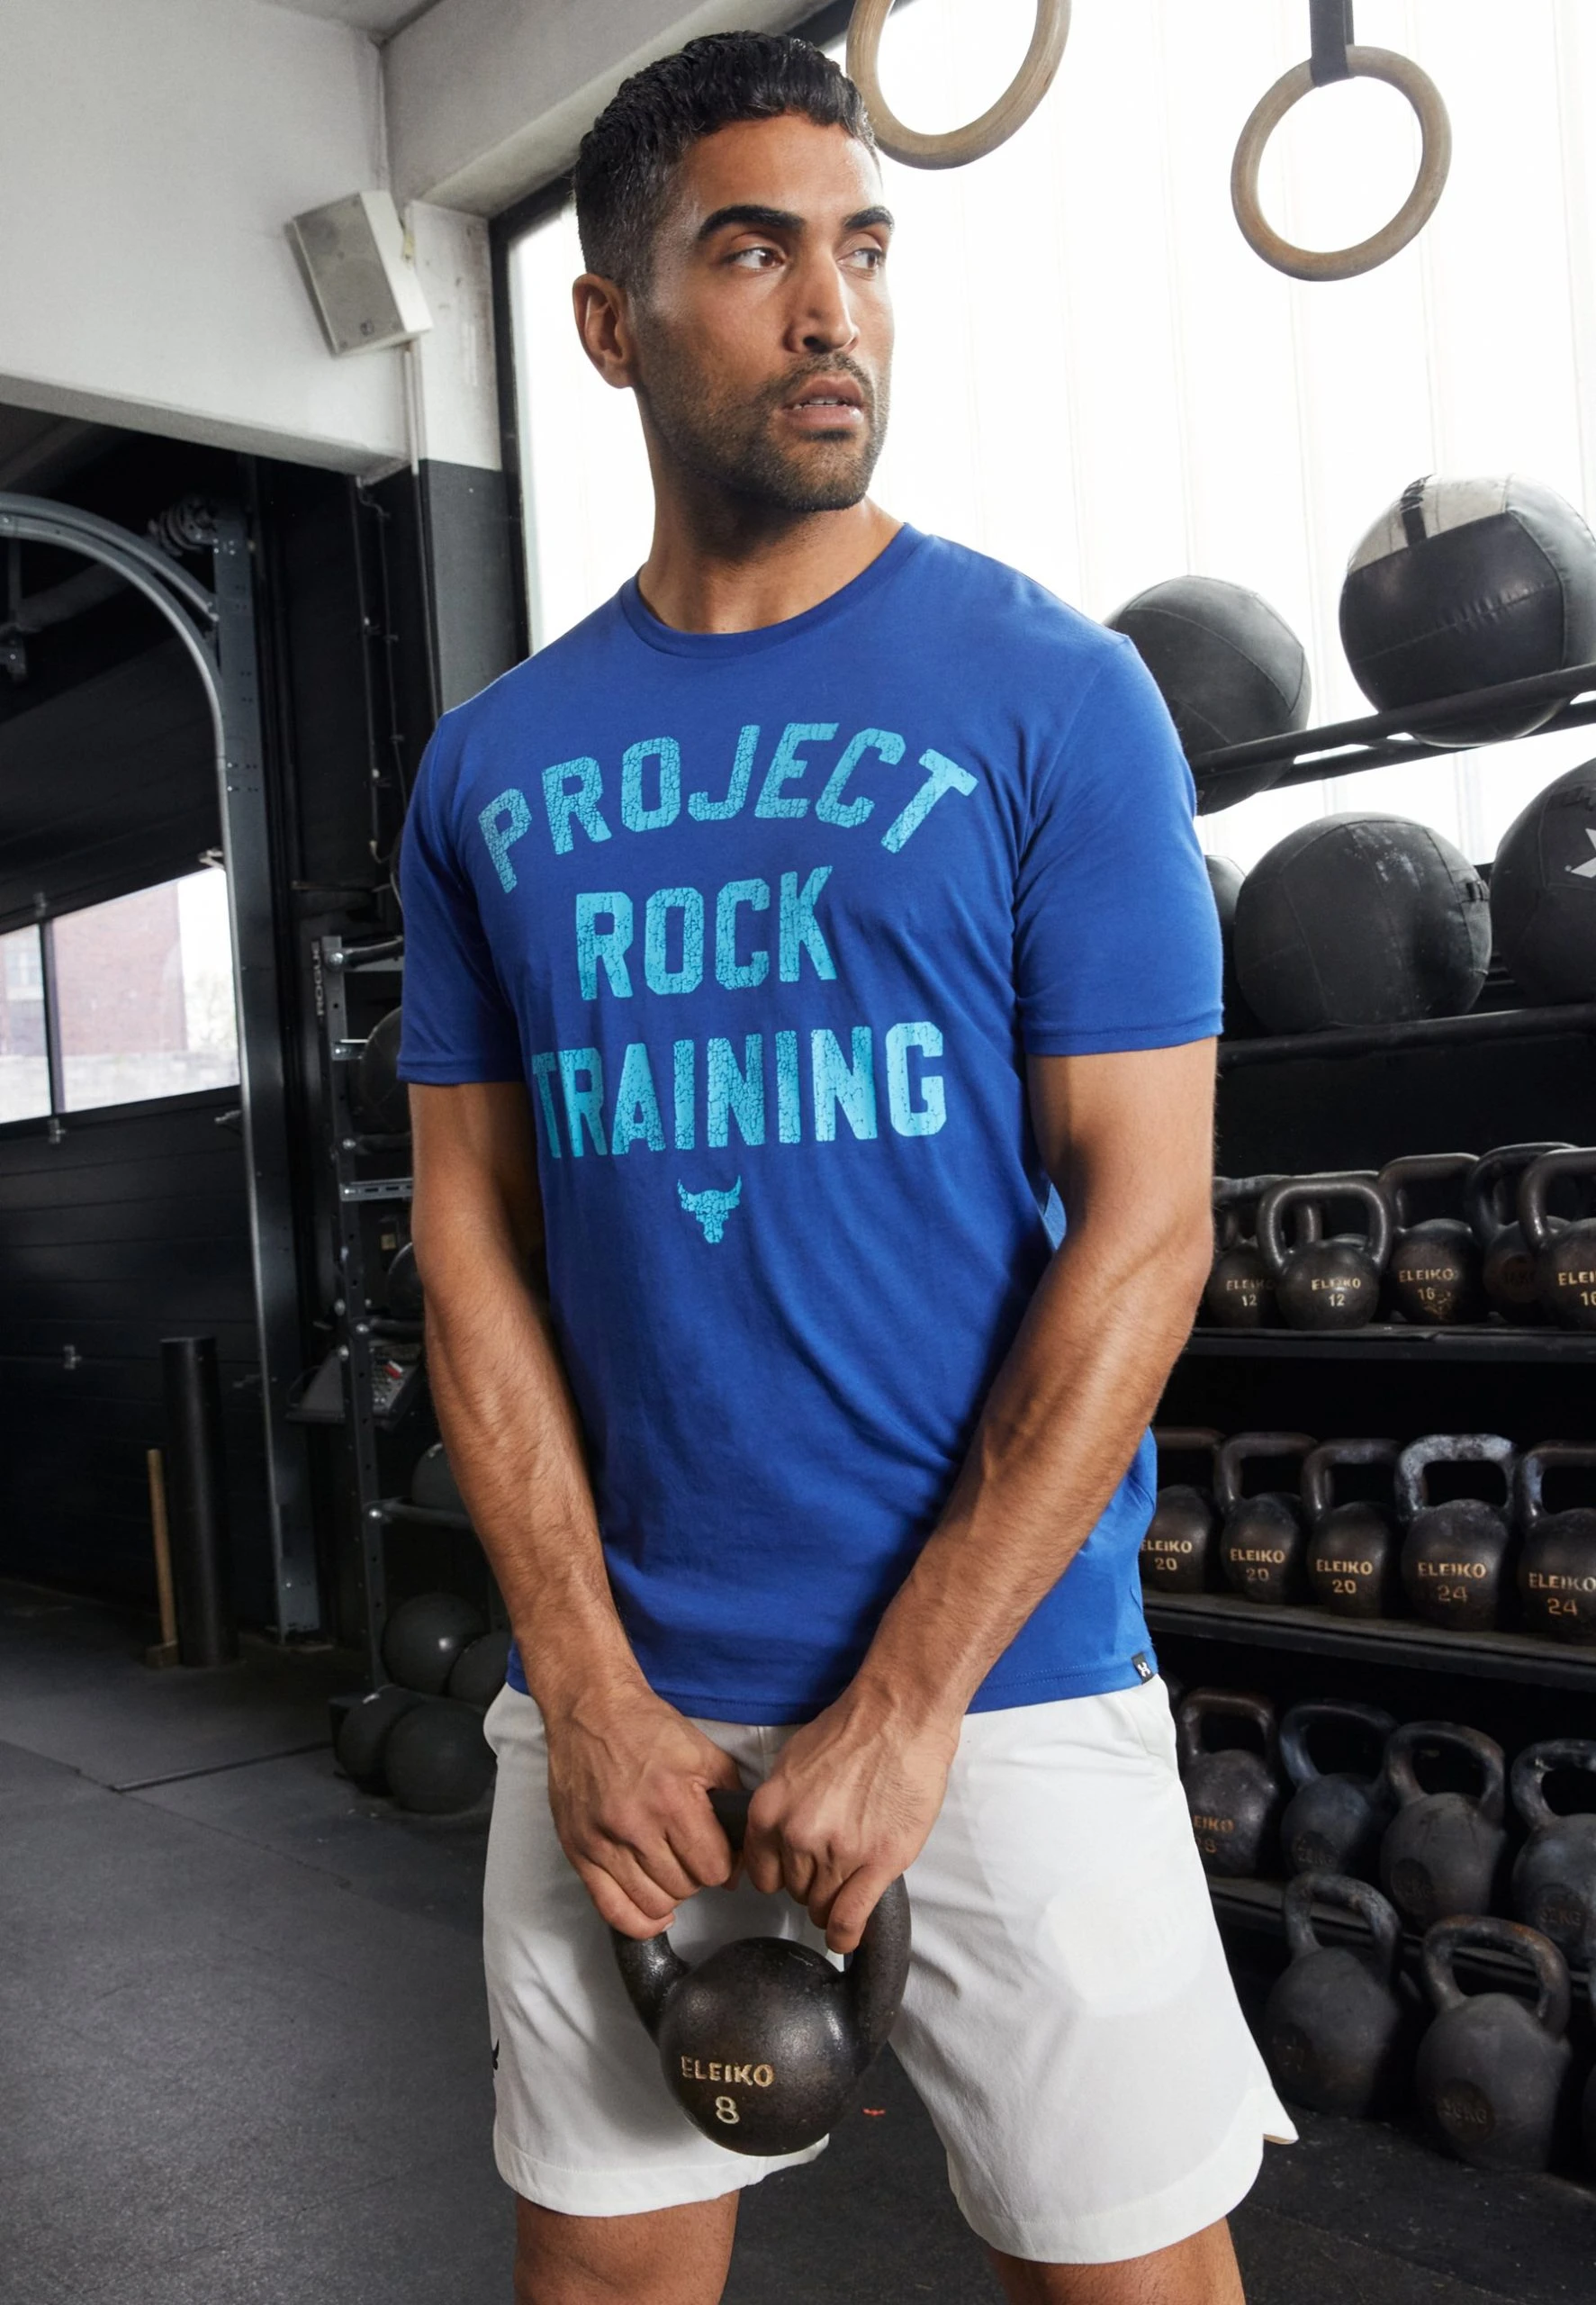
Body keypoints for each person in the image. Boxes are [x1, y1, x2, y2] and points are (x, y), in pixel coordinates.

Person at [399, 32, 1292, 2305]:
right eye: (751, 251)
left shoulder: (1053, 697)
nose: (833, 310)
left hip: (1000, 1684)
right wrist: (581, 1680)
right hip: (630, 1702)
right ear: (607, 321)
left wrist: (902, 1703)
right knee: (605, 2276)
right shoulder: (491, 768)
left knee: (1130, 2283)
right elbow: (467, 1238)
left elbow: (1146, 1226)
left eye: (863, 247)